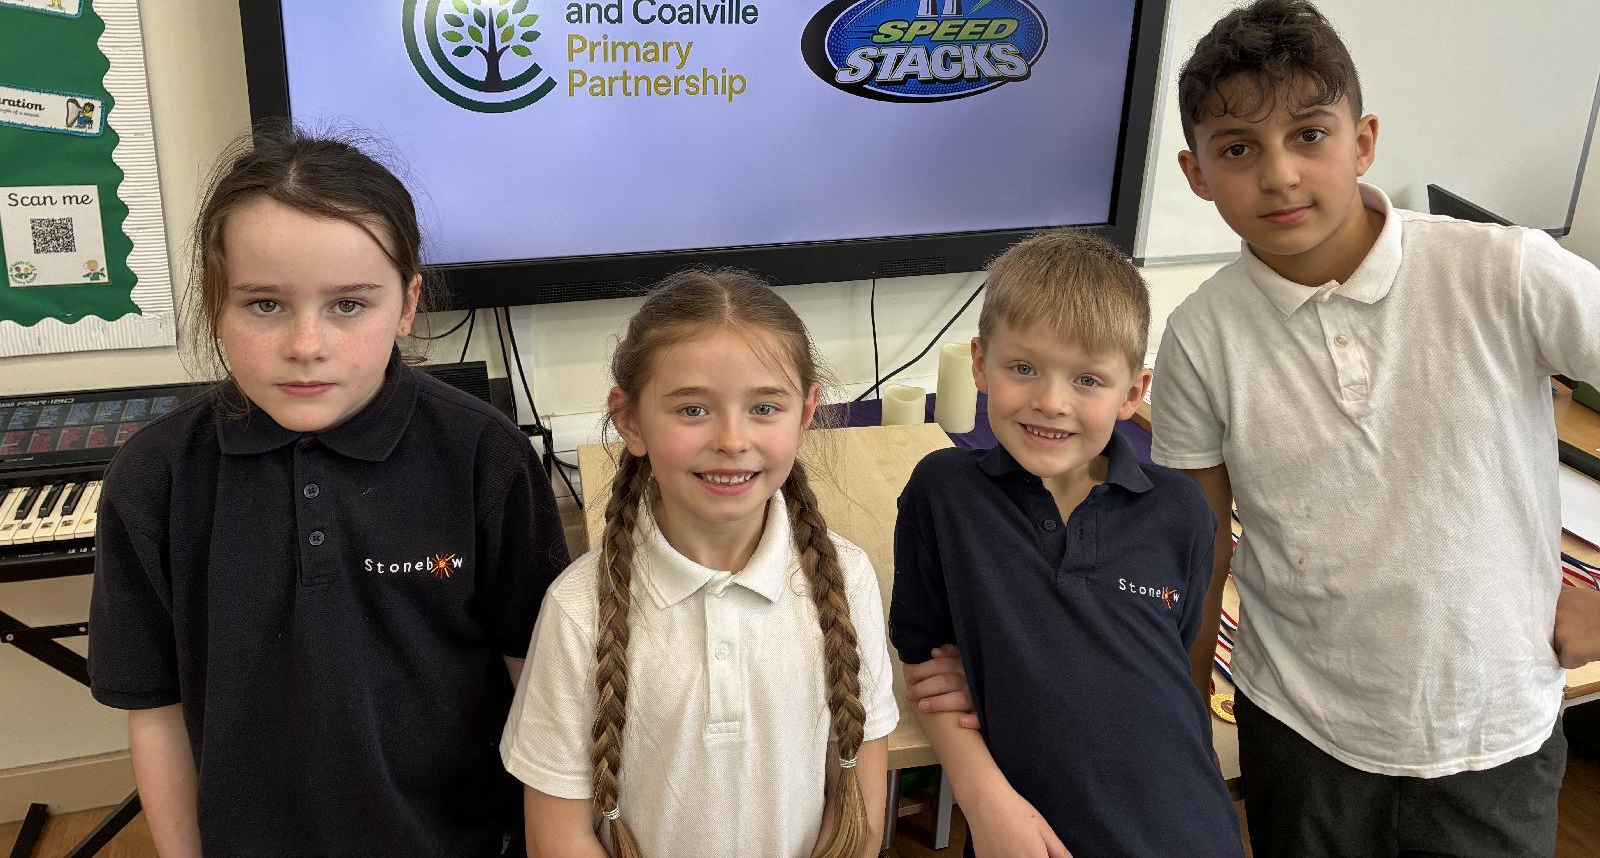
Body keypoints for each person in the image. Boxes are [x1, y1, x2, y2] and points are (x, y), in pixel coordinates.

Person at [1153, 0, 1600, 857]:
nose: (1280, 174)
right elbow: (1196, 550)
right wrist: (1178, 722)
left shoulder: (1505, 272)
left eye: (1309, 135)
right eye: (1238, 148)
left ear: (1362, 142)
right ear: (1196, 173)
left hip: (1491, 732)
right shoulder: (1201, 336)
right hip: (1299, 736)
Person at [89, 124, 568, 857]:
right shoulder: (155, 477)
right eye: (265, 305)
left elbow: (538, 683)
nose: (306, 345)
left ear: (406, 305)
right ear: (215, 305)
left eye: (348, 305)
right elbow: (155, 711)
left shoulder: (483, 454)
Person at [501, 269, 897, 858]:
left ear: (806, 412)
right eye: (692, 409)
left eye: (764, 407)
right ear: (630, 421)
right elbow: (557, 834)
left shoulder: (848, 577)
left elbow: (858, 789)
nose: (732, 440)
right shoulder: (578, 608)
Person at [890, 229, 1242, 858]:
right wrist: (983, 799)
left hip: (1191, 833)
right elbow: (926, 661)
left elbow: (1165, 660)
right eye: (1023, 368)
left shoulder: (1180, 511)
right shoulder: (944, 493)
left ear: (1133, 392)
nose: (1051, 402)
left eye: (1087, 379)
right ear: (980, 363)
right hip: (1021, 838)